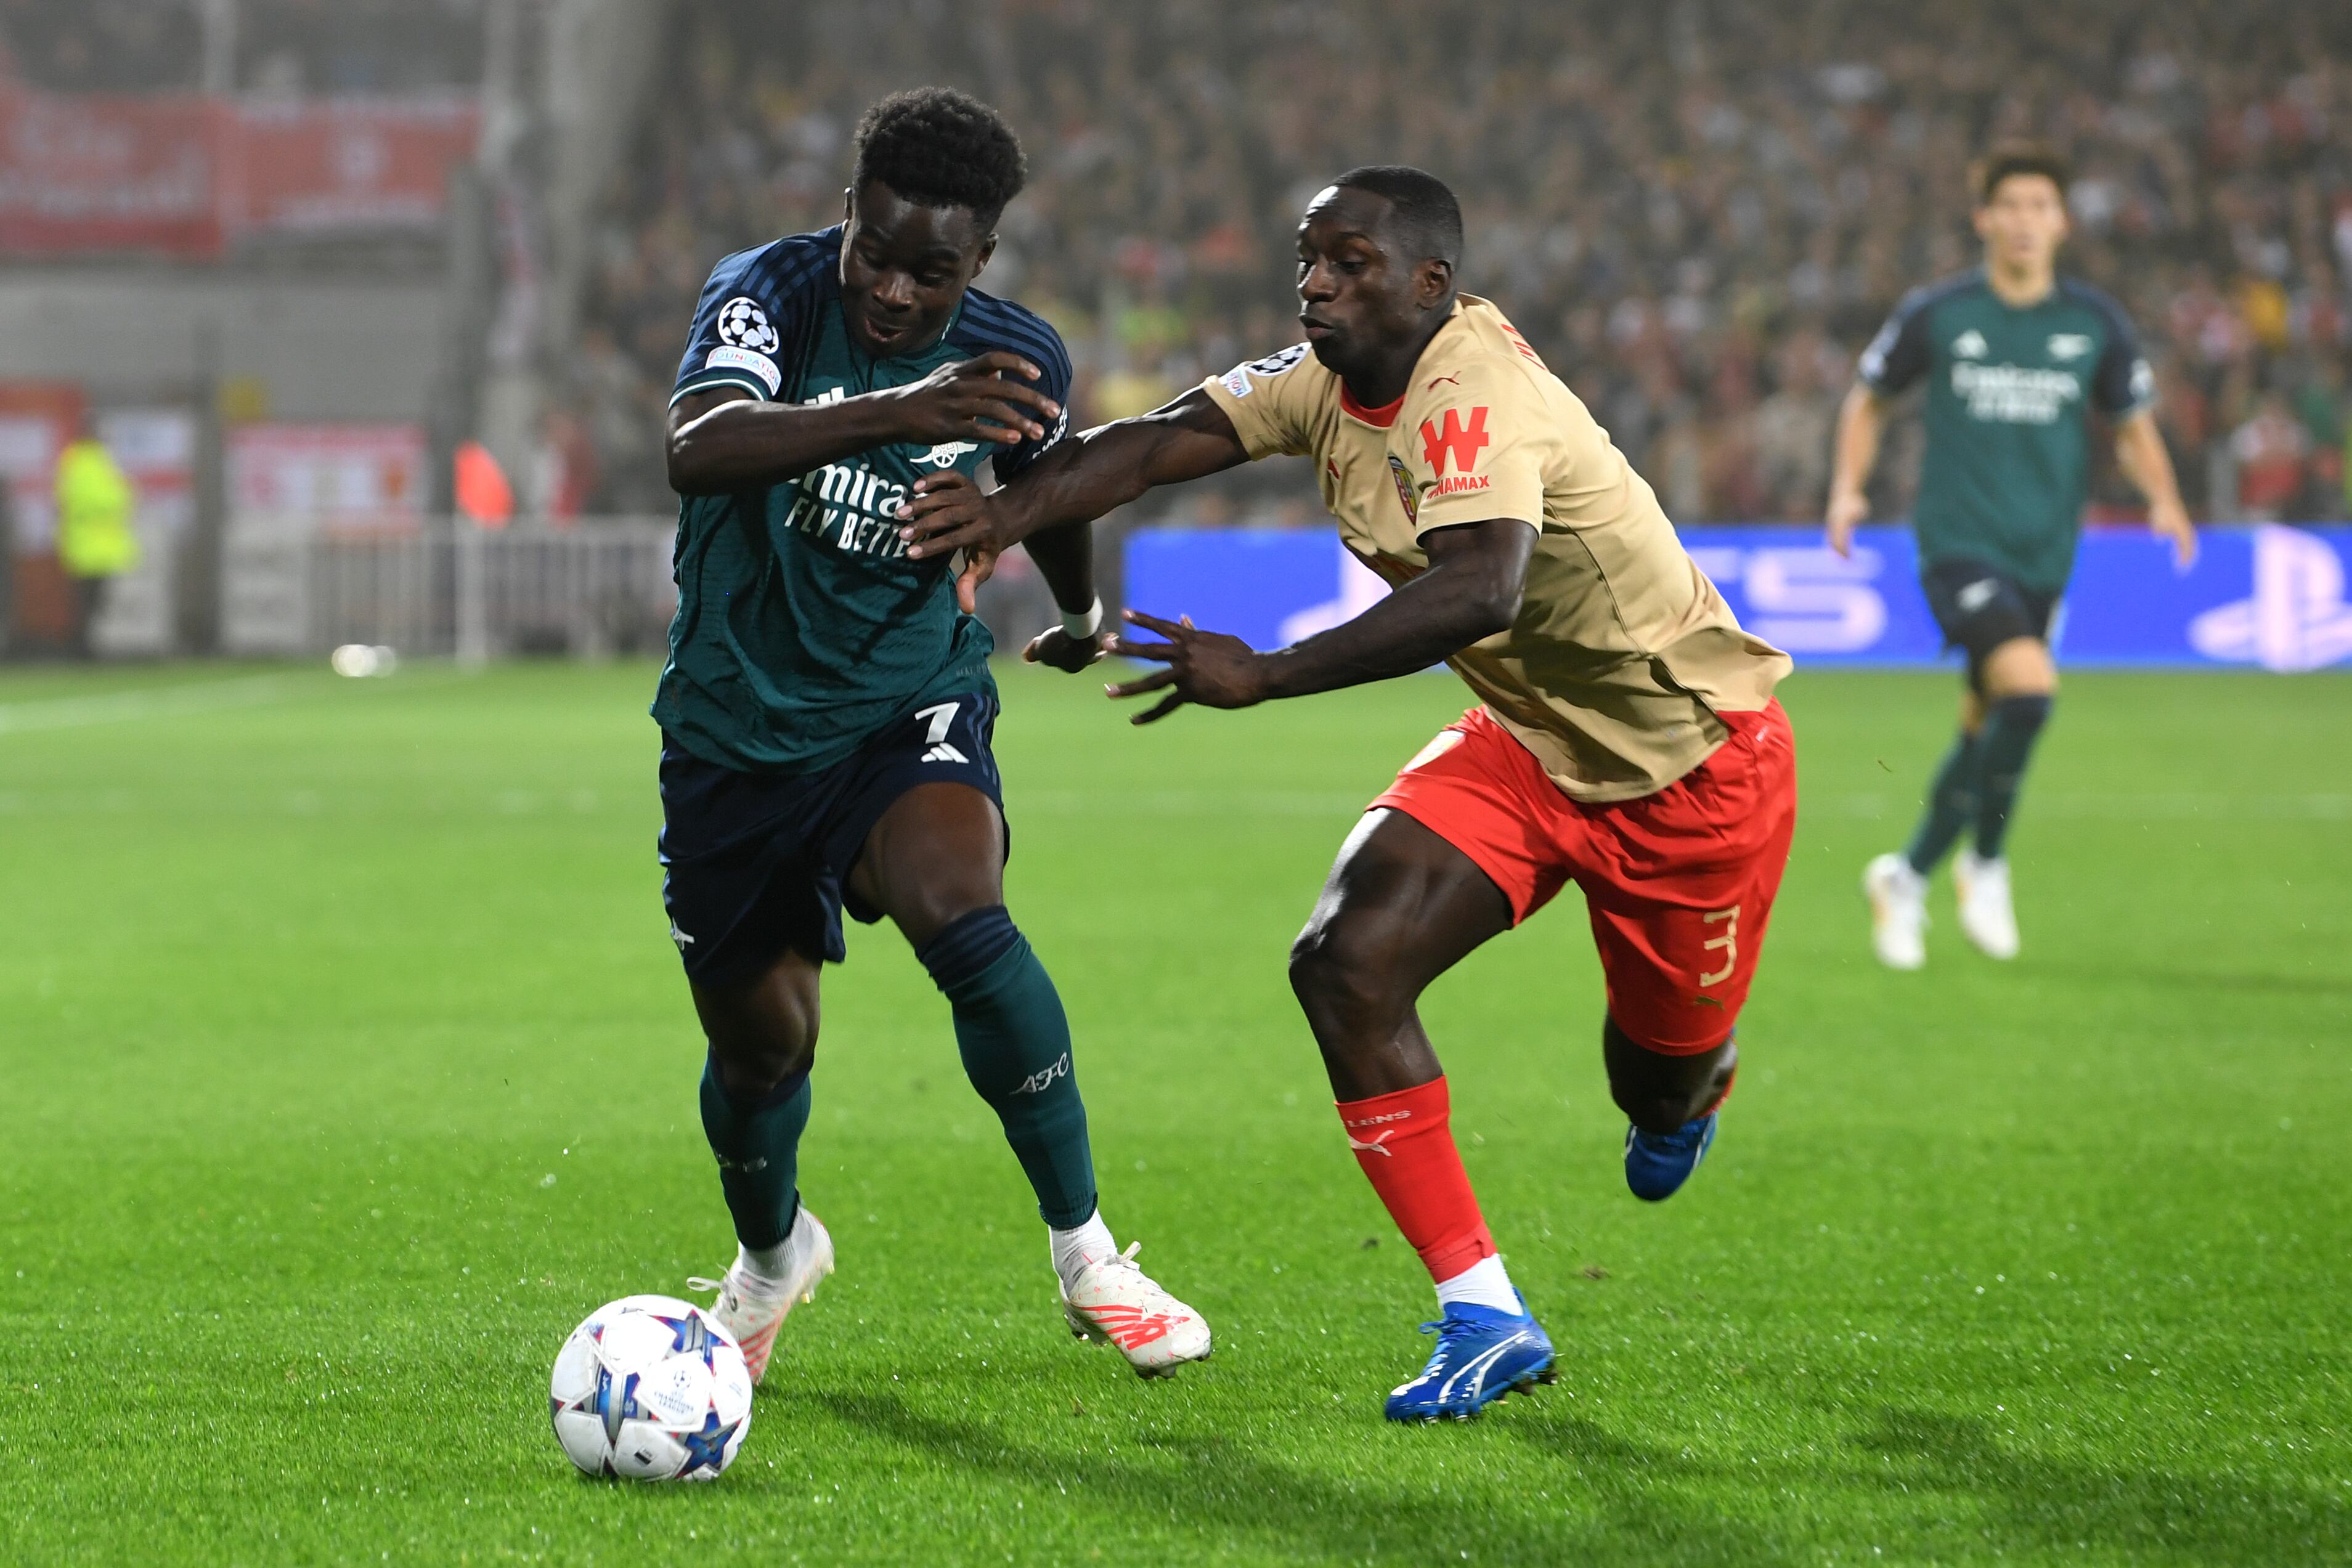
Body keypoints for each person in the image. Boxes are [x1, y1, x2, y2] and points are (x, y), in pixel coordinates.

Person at [898, 166, 1796, 1422]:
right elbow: (1151, 444)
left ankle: (1692, 1082)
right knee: (1344, 959)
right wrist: (1002, 517)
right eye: (1310, 258)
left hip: (1690, 773)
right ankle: (1485, 1313)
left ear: (1431, 283)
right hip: (1529, 743)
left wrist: (1263, 673)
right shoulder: (1327, 374)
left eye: (1350, 261)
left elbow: (1479, 588)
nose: (1316, 281)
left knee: (1654, 1087)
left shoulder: (1471, 394)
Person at [656, 87, 1210, 1385]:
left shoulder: (1017, 354)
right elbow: (698, 446)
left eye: (934, 271)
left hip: (908, 699)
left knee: (961, 910)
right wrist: (900, 413)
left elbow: (1048, 480)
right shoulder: (766, 297)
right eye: (877, 254)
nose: (897, 292)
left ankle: (1089, 1256)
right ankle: (773, 1254)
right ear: (845, 216)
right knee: (761, 1048)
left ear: (984, 262)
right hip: (735, 726)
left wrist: (1071, 606)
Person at [1825, 143, 2195, 970]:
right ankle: (1985, 864)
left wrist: (2165, 497)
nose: (2025, 221)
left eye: (2041, 206)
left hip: (2045, 558)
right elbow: (1869, 399)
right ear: (1983, 218)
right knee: (2028, 693)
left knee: (1988, 723)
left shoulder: (2091, 324)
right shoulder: (1941, 313)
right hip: (1959, 546)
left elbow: (2131, 425)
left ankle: (1907, 874)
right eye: (2011, 206)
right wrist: (1846, 488)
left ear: (2061, 221)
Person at [54, 415, 139, 660]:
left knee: (96, 602)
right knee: (87, 602)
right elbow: (97, 499)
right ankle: (82, 647)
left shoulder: (101, 460)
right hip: (87, 545)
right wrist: (118, 501)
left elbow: (122, 494)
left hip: (101, 546)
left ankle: (89, 645)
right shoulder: (78, 462)